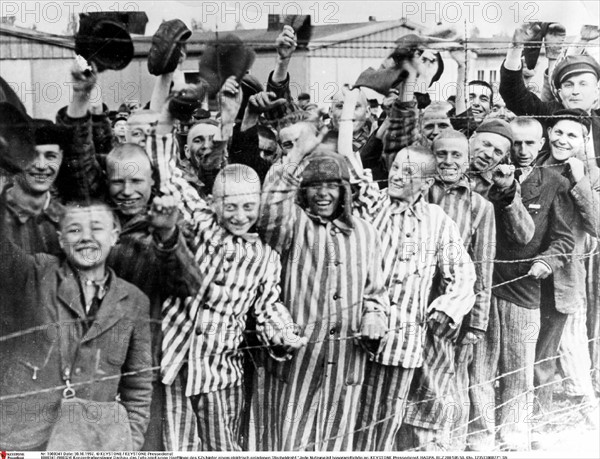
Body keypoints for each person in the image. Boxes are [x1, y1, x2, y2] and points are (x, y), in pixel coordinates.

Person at [337, 90, 476, 450]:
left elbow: (464, 273)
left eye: (409, 172)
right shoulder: (375, 204)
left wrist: (449, 306)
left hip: (405, 342)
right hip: (362, 334)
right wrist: (348, 112)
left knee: (387, 421)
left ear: (428, 183)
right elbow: (349, 160)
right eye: (396, 168)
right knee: (350, 418)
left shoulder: (436, 220)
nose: (398, 176)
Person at [253, 124, 389, 450]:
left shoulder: (365, 232)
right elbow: (270, 209)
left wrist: (374, 316)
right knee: (288, 442)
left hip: (345, 362)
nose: (323, 193)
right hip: (297, 359)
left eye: (332, 186)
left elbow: (376, 293)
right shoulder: (293, 224)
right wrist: (296, 154)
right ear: (302, 190)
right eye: (314, 186)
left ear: (345, 191)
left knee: (336, 443)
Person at [161, 164, 305, 451]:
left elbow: (268, 305)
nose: (240, 216)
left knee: (223, 445)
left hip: (221, 371)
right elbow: (170, 176)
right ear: (213, 203)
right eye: (231, 206)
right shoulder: (202, 225)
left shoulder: (266, 256)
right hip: (175, 363)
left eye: (249, 206)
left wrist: (284, 333)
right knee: (176, 445)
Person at [0, 201, 153, 451]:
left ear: (115, 236)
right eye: (74, 230)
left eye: (96, 229)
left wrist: (129, 445)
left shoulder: (135, 301)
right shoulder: (37, 273)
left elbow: (139, 387)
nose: (86, 238)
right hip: (23, 439)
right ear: (60, 240)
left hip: (88, 443)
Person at [468, 116, 575, 451]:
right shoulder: (480, 180)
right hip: (483, 286)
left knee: (518, 367)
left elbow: (563, 240)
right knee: (480, 368)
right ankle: (479, 436)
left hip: (524, 288)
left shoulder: (553, 181)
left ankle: (514, 434)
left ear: (542, 144)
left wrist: (547, 260)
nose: (523, 150)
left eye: (531, 143)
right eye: (516, 143)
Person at [399, 129, 496, 451]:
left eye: (457, 155)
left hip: (453, 310)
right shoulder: (420, 192)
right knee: (408, 378)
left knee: (446, 384)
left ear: (468, 160)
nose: (449, 161)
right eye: (442, 154)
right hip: (411, 303)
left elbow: (482, 266)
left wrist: (477, 322)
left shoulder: (480, 206)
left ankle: (446, 447)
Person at [535, 109, 600, 427]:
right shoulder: (534, 162)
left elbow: (598, 225)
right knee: (533, 343)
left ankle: (585, 404)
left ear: (585, 140)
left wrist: (581, 181)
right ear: (548, 133)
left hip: (566, 271)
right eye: (558, 132)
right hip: (530, 268)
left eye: (572, 135)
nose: (563, 139)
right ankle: (533, 410)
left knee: (570, 341)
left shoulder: (592, 174)